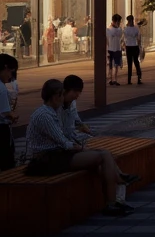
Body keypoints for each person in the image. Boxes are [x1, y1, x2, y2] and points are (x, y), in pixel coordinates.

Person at [24, 79, 138, 216]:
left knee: (102, 156)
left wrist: (80, 146)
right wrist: (81, 148)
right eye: (62, 95)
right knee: (103, 155)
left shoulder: (49, 112)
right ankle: (113, 198)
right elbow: (63, 142)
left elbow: (65, 136)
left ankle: (115, 200)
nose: (63, 99)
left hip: (56, 156)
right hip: (46, 160)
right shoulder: (45, 115)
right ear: (55, 96)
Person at [59, 76, 92, 144]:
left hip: (71, 139)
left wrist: (82, 125)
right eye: (75, 91)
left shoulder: (72, 102)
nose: (77, 95)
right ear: (65, 90)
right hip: (61, 144)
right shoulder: (56, 105)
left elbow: (76, 120)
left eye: (79, 92)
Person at [123, 14, 143, 84]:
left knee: (131, 63)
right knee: (135, 62)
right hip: (134, 46)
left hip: (130, 46)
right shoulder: (135, 28)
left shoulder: (126, 29)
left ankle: (130, 79)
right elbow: (139, 38)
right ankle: (138, 78)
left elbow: (125, 38)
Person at [106, 13, 124, 87]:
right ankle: (110, 79)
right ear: (114, 21)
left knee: (116, 65)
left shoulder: (120, 29)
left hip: (117, 48)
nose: (119, 23)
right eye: (118, 22)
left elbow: (121, 38)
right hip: (110, 49)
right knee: (110, 65)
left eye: (119, 22)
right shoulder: (108, 30)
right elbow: (106, 41)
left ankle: (115, 79)